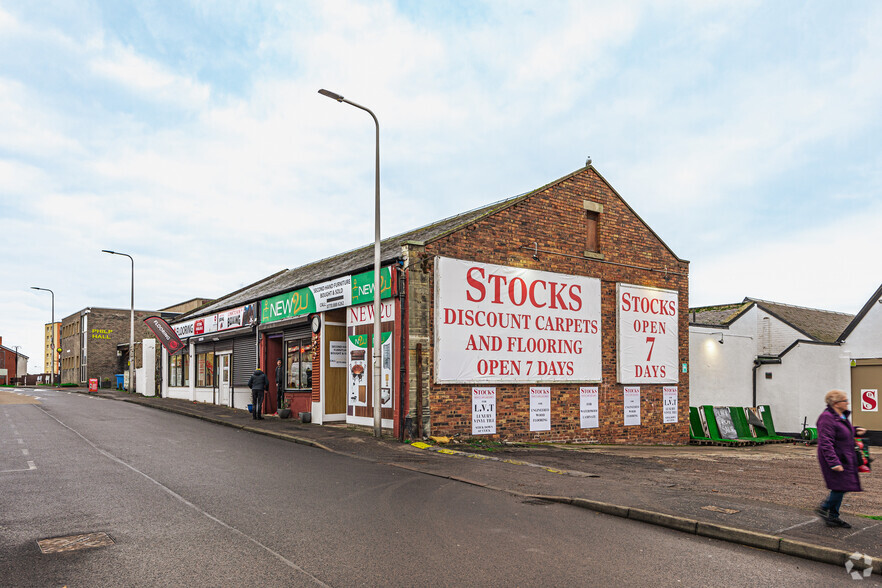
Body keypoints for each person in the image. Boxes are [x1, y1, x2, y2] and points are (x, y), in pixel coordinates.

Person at [815, 390, 867, 528]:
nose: (847, 402)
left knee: (842, 486)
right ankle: (824, 508)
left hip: (845, 457)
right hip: (835, 458)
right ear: (836, 403)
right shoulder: (826, 418)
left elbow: (842, 431)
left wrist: (855, 430)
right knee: (840, 486)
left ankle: (832, 516)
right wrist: (834, 462)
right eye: (845, 400)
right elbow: (825, 442)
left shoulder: (841, 416)